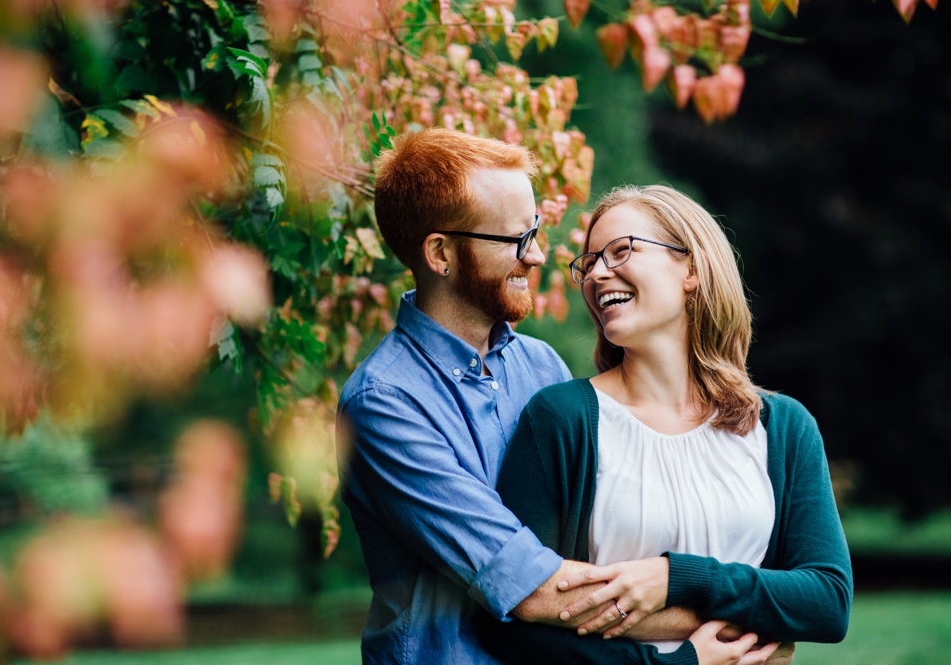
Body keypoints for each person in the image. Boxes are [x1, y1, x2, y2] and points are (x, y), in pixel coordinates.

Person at [337, 131, 770, 665]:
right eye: (516, 240)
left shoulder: (541, 367)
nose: (538, 255)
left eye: (536, 231)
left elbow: (595, 544)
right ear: (441, 253)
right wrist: (730, 622)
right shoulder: (384, 404)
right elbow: (533, 586)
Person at [477, 184, 853, 664]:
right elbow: (509, 622)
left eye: (620, 251)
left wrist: (677, 578)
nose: (597, 273)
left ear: (692, 269)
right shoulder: (562, 418)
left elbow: (827, 602)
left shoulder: (783, 427)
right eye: (588, 263)